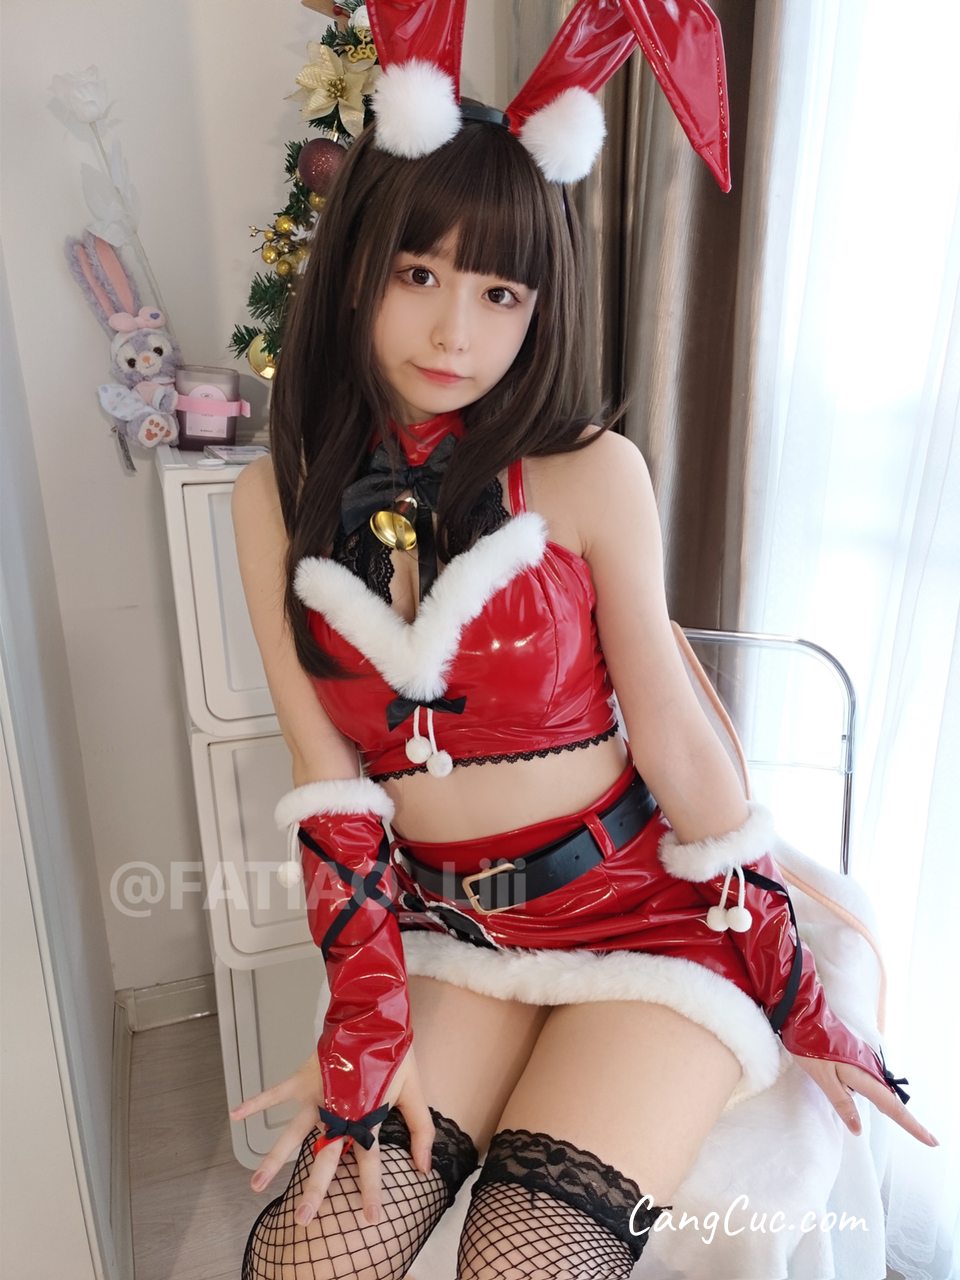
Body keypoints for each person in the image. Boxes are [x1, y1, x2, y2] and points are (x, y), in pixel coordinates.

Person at [228, 2, 937, 1276]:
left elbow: (673, 730)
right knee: (309, 1254)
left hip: (647, 915)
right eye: (420, 273)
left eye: (500, 291)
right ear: (357, 267)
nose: (457, 331)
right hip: (456, 928)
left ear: (538, 302)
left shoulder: (593, 471)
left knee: (523, 1260)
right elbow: (328, 778)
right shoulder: (272, 497)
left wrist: (795, 983)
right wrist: (365, 1017)